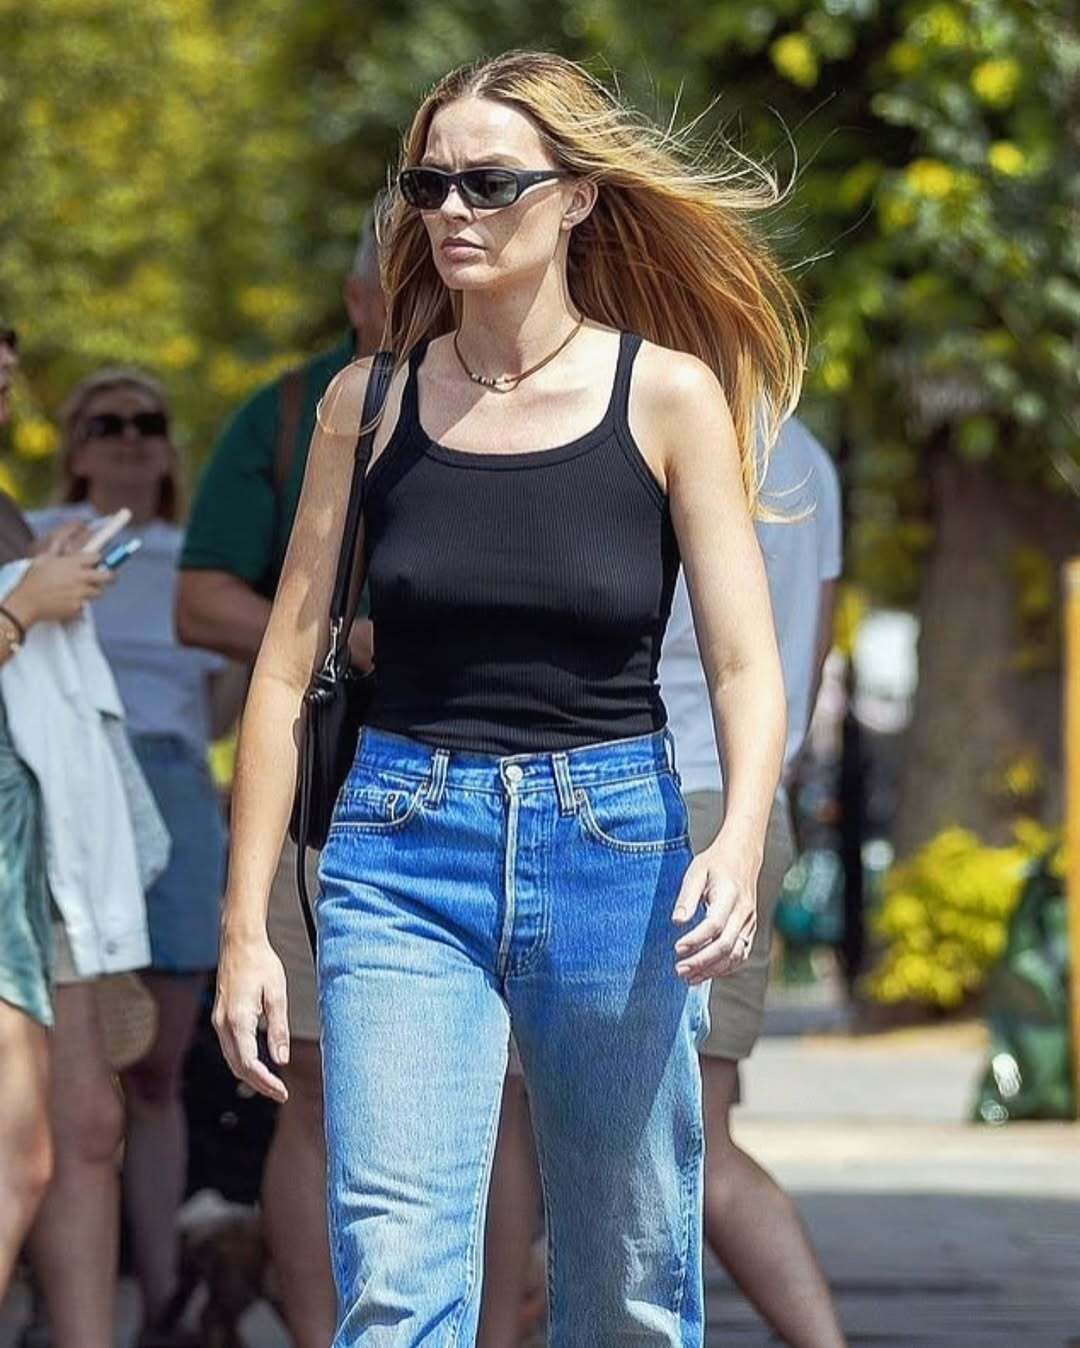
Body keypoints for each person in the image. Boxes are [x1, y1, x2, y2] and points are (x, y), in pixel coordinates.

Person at [215, 49, 806, 1345]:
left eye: (489, 182)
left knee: (630, 1277)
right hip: (399, 849)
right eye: (429, 183)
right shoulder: (365, 404)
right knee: (396, 1277)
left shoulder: (666, 394)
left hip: (616, 849)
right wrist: (247, 926)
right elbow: (283, 670)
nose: (452, 210)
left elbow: (744, 662)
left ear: (577, 197)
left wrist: (736, 838)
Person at [176, 218, 386, 1347]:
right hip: (330, 794)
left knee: (501, 1107)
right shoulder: (300, 411)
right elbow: (199, 599)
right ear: (358, 298)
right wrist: (337, 641)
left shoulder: (551, 389)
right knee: (312, 1094)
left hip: (496, 787)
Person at [30, 367, 237, 1341]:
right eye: (105, 421)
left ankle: (159, 1305)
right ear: (75, 445)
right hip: (61, 788)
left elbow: (225, 702)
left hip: (173, 787)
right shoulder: (33, 538)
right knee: (52, 1071)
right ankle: (56, 1302)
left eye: (147, 420)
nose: (128, 437)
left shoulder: (200, 559)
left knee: (154, 1069)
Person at [662, 416, 845, 1347]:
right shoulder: (807, 456)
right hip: (749, 800)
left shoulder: (655, 416)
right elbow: (809, 651)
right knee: (693, 1122)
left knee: (681, 1137)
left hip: (667, 794)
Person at [0, 329, 155, 1348]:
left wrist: (39, 575)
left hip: (37, 842)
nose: (6, 371)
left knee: (78, 1130)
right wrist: (24, 606)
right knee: (17, 1156)